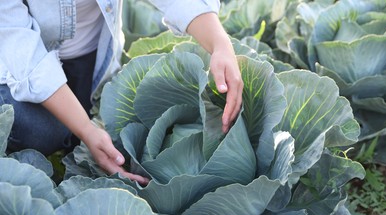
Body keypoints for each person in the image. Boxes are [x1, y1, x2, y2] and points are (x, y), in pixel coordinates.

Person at [0, 0, 243, 184]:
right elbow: (23, 55)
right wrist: (85, 128)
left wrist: (220, 43)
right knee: (45, 132)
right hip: (13, 69)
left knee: (102, 134)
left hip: (92, 61)